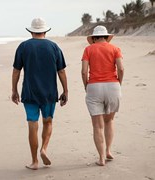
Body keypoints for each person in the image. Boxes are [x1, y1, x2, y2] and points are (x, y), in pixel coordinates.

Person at [11, 18, 68, 170]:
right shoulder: (54, 47)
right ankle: (44, 149)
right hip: (49, 93)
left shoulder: (23, 47)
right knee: (48, 122)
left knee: (32, 124)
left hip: (29, 93)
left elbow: (16, 70)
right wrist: (65, 90)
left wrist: (14, 90)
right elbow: (61, 70)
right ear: (45, 31)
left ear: (31, 31)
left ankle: (35, 161)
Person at [81, 25, 124, 166]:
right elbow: (121, 68)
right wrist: (119, 83)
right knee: (109, 121)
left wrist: (86, 85)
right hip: (113, 85)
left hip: (94, 86)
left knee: (97, 126)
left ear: (93, 38)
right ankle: (108, 151)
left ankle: (101, 158)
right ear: (106, 37)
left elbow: (83, 71)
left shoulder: (88, 49)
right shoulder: (115, 49)